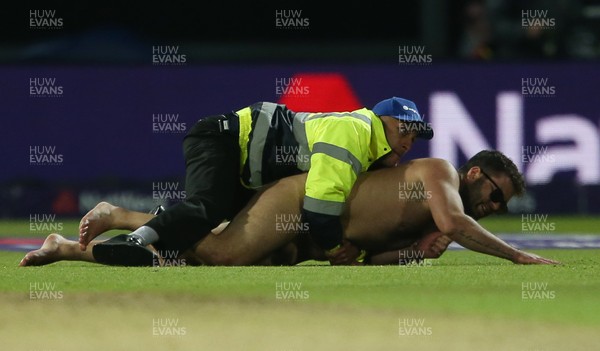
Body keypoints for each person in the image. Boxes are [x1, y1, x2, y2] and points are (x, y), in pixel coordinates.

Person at [21, 150, 559, 267]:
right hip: (302, 201)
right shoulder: (439, 174)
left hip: (310, 242)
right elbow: (458, 221)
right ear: (473, 174)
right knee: (224, 254)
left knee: (197, 261)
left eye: (500, 205)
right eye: (494, 196)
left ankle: (66, 250)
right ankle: (122, 216)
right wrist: (519, 258)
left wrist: (416, 256)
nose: (492, 208)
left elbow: (362, 261)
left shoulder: (438, 227)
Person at [79, 97, 434, 266]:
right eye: (404, 130)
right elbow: (319, 206)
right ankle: (135, 238)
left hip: (246, 166)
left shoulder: (365, 143)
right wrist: (333, 248)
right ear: (381, 120)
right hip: (222, 140)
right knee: (208, 208)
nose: (408, 142)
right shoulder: (355, 132)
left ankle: (123, 217)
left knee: (219, 237)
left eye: (414, 138)